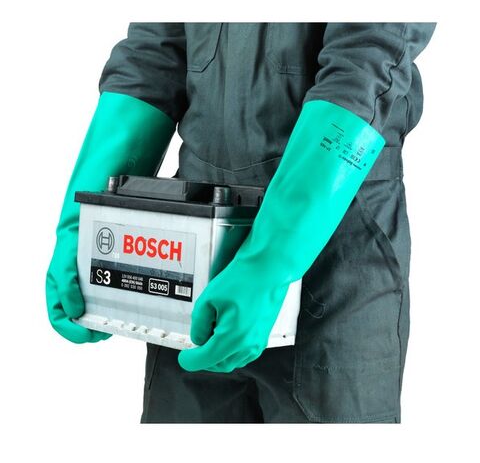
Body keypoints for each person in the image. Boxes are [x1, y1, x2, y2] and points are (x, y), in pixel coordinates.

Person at [46, 23, 436, 423]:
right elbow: (153, 54)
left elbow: (363, 68)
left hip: (337, 252)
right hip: (195, 245)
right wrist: (84, 225)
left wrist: (270, 262)